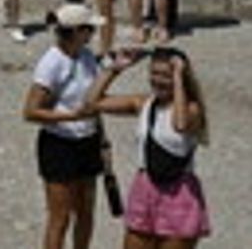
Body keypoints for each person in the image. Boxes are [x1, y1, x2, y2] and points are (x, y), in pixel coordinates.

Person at [84, 46, 211, 247]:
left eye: (165, 75)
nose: (158, 81)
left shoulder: (192, 109)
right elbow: (92, 102)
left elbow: (180, 124)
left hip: (179, 193)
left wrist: (178, 76)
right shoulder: (144, 103)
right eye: (154, 73)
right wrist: (114, 69)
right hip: (145, 187)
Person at [24, 3, 107, 249]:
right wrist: (72, 117)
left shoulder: (87, 56)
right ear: (78, 31)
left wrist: (102, 137)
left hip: (88, 140)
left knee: (86, 211)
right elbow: (30, 111)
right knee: (60, 217)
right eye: (89, 29)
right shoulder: (52, 63)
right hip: (60, 144)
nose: (92, 33)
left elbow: (93, 101)